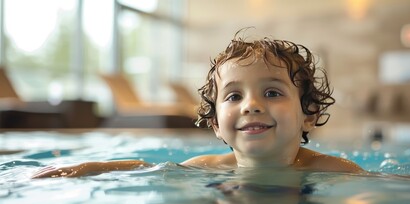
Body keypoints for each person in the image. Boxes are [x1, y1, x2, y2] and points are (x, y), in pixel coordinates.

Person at [31, 30, 363, 179]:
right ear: (217, 124)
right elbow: (148, 167)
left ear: (309, 115)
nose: (251, 105)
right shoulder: (212, 167)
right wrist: (94, 167)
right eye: (234, 96)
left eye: (273, 93)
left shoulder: (330, 170)